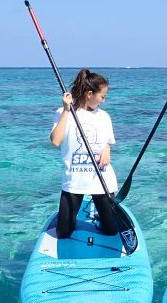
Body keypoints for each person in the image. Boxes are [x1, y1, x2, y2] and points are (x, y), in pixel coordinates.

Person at [50, 68, 119, 239]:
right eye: (102, 96)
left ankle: (99, 216)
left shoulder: (104, 117)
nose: (104, 101)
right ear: (89, 94)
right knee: (63, 233)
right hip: (74, 180)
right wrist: (67, 110)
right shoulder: (64, 113)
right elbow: (56, 141)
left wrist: (106, 149)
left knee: (111, 230)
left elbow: (108, 142)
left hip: (101, 180)